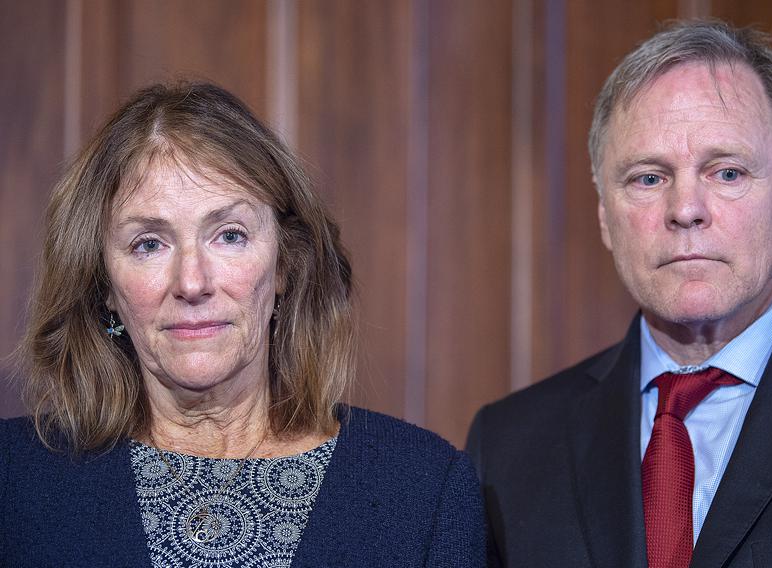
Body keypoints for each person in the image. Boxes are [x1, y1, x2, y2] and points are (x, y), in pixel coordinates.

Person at [467, 20, 772, 568]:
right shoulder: (508, 446)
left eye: (726, 172)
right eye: (648, 179)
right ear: (605, 214)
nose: (685, 210)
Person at [1, 82, 483, 567]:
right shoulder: (13, 482)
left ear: (284, 265)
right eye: (148, 243)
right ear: (103, 282)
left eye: (229, 235)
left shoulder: (422, 490)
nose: (191, 282)